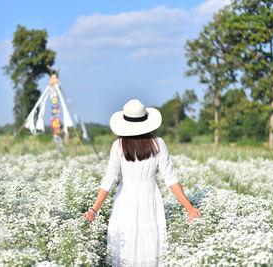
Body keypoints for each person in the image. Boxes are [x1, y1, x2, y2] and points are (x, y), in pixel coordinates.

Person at [82, 99, 201, 266]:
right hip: (150, 200)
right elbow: (170, 178)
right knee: (150, 247)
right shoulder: (158, 143)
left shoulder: (118, 145)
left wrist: (94, 209)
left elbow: (109, 179)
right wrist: (189, 208)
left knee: (125, 249)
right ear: (146, 121)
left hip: (125, 201)